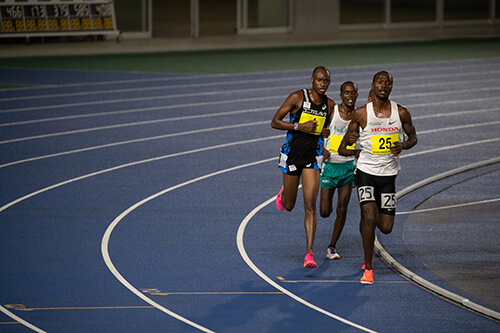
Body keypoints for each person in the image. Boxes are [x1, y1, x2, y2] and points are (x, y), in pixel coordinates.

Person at [338, 71, 418, 284]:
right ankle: (368, 267)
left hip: (388, 175)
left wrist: (403, 145)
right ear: (372, 85)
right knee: (370, 215)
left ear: (391, 87)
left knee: (386, 227)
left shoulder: (401, 112)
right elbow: (342, 147)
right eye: (380, 82)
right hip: (365, 173)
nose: (383, 85)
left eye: (388, 83)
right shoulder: (361, 114)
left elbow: (414, 137)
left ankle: (366, 225)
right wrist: (352, 143)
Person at [271, 66, 335, 269]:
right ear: (312, 80)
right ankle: (284, 193)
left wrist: (323, 141)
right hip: (292, 155)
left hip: (312, 158)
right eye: (319, 80)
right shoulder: (297, 97)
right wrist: (299, 126)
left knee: (310, 205)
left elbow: (324, 131)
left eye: (326, 81)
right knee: (289, 205)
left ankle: (309, 253)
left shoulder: (330, 105)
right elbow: (275, 122)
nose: (323, 84)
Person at [319, 81, 359, 261]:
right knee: (325, 211)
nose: (350, 96)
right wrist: (320, 145)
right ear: (341, 95)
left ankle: (332, 246)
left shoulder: (359, 116)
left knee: (342, 209)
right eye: (347, 93)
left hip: (347, 166)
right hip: (329, 166)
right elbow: (316, 130)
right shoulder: (332, 110)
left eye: (353, 93)